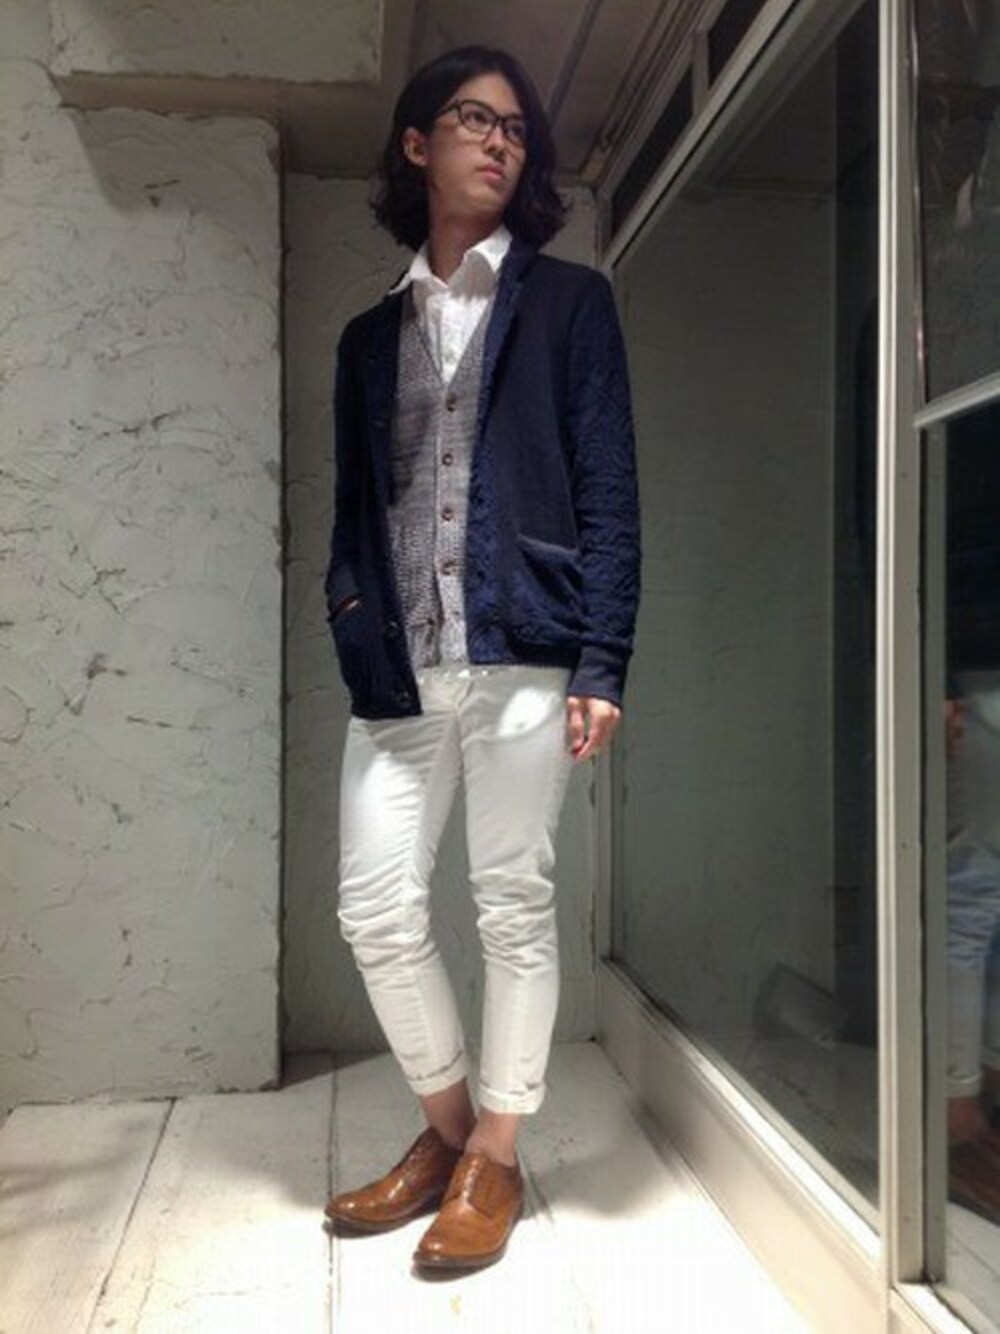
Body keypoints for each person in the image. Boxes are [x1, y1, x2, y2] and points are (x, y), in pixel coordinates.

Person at [321, 44, 640, 1274]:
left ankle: (495, 1155)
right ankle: (452, 1131)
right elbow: (356, 507)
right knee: (375, 908)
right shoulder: (368, 337)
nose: (501, 140)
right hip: (400, 666)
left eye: (516, 128)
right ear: (418, 144)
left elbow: (608, 485)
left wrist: (602, 656)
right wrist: (352, 611)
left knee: (511, 898)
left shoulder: (569, 304)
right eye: (474, 118)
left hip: (524, 651)